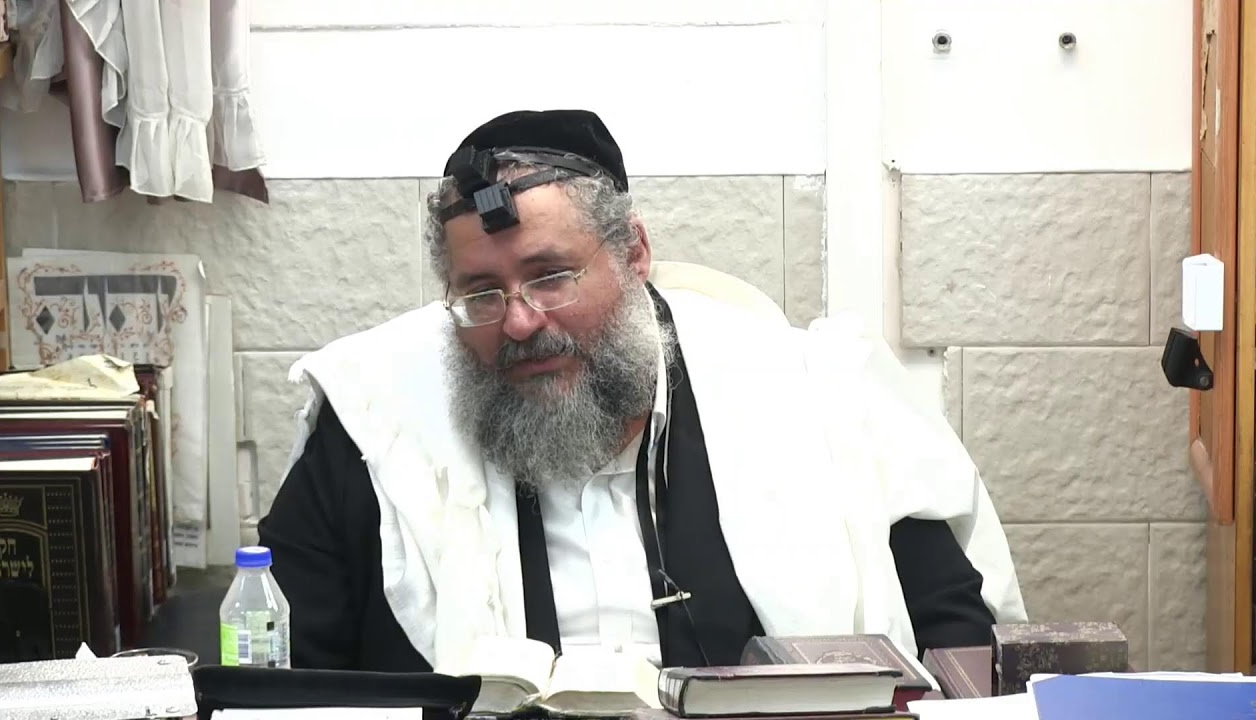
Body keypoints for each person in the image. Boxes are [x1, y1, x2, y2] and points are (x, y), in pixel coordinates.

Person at [257, 109, 1027, 674]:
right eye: (481, 294)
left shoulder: (814, 396)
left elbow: (954, 631)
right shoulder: (375, 424)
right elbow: (288, 670)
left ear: (634, 253)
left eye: (552, 276)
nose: (519, 321)